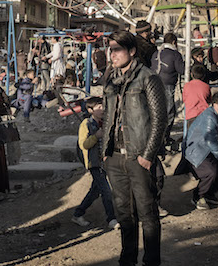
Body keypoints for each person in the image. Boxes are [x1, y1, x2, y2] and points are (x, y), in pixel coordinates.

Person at [101, 30, 167, 266]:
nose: (113, 54)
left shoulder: (149, 78)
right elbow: (108, 118)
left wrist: (148, 155)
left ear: (131, 51)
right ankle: (127, 259)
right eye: (111, 49)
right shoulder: (111, 80)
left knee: (147, 213)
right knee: (124, 214)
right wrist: (104, 153)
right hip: (115, 157)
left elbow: (160, 119)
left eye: (117, 49)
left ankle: (151, 261)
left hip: (139, 155)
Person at [72, 96, 118, 229]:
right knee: (106, 191)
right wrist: (96, 136)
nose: (102, 109)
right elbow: (83, 145)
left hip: (105, 162)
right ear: (90, 109)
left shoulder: (106, 122)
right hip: (95, 163)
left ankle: (77, 214)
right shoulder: (86, 124)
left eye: (103, 106)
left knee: (95, 191)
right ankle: (111, 219)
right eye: (99, 107)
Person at [185, 92, 218, 210]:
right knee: (211, 172)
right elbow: (211, 142)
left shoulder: (217, 115)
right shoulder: (210, 118)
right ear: (215, 105)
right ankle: (198, 196)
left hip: (206, 150)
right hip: (196, 152)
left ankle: (209, 194)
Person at [150, 32, 183, 147]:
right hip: (168, 84)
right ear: (174, 42)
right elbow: (181, 70)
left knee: (157, 112)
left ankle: (157, 137)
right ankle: (164, 138)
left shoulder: (156, 53)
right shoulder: (175, 54)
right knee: (169, 112)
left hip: (154, 84)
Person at [182, 64, 212, 130]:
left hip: (190, 114)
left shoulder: (187, 86)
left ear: (191, 74)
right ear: (204, 76)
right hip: (204, 114)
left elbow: (184, 99)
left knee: (191, 136)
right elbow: (209, 100)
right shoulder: (206, 86)